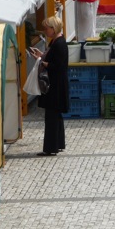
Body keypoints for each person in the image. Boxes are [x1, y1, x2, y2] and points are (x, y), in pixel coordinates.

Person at [29, 16, 69, 156]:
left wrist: (41, 60)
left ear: (53, 28)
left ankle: (51, 147)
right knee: (55, 115)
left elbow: (57, 66)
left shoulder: (59, 44)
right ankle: (58, 144)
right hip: (56, 84)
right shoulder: (57, 41)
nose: (45, 30)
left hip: (55, 85)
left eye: (47, 28)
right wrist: (42, 56)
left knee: (52, 116)